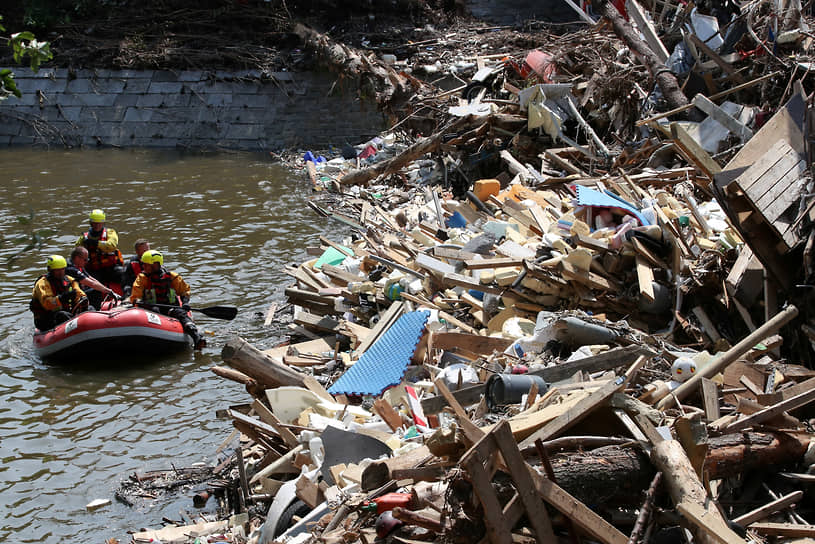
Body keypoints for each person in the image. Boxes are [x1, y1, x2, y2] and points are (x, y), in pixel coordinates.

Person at [130, 250, 206, 349]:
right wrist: (138, 301)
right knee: (155, 310)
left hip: (170, 307)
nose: (143, 267)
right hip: (151, 308)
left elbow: (184, 291)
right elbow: (136, 296)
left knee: (181, 313)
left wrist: (185, 303)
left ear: (155, 265)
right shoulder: (142, 278)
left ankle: (197, 337)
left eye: (146, 264)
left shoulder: (172, 277)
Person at [30, 255, 88, 331]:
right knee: (62, 315)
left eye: (62, 269)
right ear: (50, 270)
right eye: (57, 270)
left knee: (89, 308)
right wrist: (62, 298)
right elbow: (47, 304)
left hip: (66, 312)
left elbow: (79, 293)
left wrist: (82, 299)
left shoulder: (69, 280)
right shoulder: (42, 283)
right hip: (46, 318)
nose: (60, 272)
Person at [75, 209, 124, 285]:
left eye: (99, 223)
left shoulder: (110, 233)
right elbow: (76, 252)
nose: (97, 226)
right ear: (91, 223)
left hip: (111, 267)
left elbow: (112, 246)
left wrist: (96, 243)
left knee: (124, 274)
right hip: (94, 269)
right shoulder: (84, 237)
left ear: (103, 223)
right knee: (88, 283)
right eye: (95, 223)